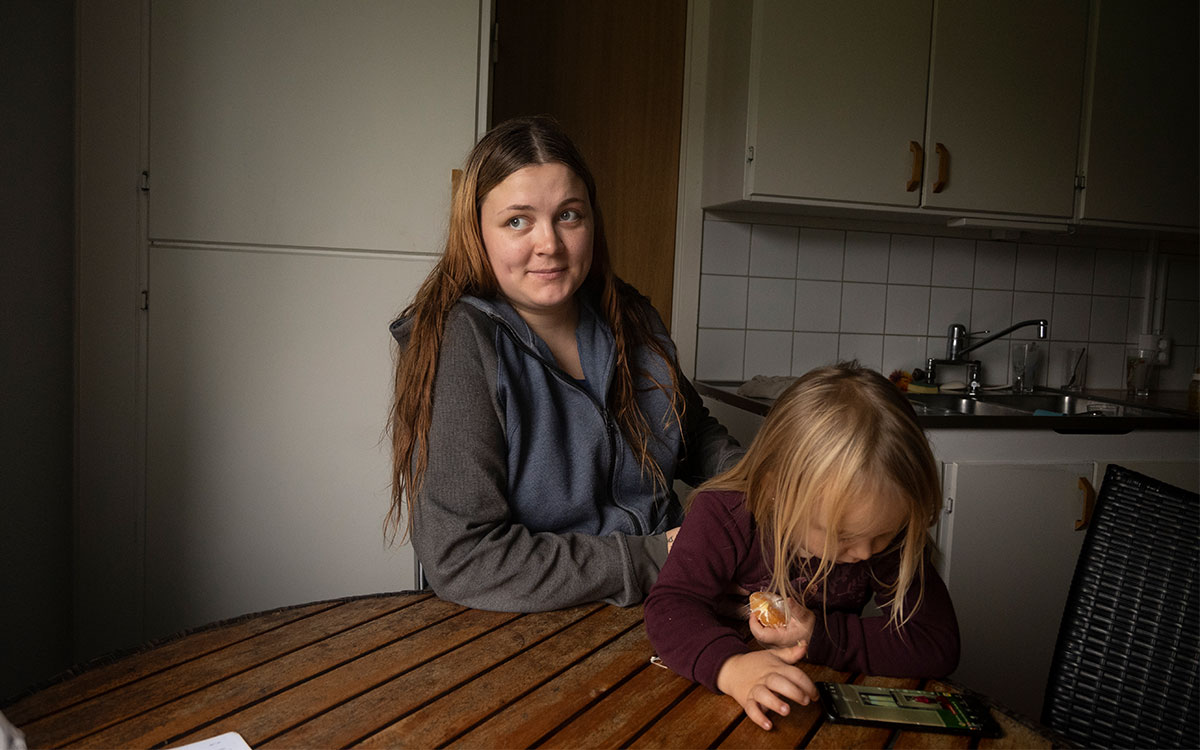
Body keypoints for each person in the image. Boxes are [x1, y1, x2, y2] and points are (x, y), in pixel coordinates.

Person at [387, 115, 743, 612]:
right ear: (476, 231)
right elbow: (464, 557)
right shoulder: (461, 343)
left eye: (569, 215)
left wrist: (760, 492)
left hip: (673, 596)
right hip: (532, 622)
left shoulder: (630, 314)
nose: (549, 244)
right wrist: (657, 555)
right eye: (517, 220)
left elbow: (692, 431)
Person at [644, 362, 960, 732]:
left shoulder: (882, 535)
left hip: (820, 706)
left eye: (884, 534)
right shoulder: (725, 514)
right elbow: (671, 605)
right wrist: (731, 667)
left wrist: (819, 635)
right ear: (778, 491)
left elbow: (936, 642)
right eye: (841, 537)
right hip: (715, 699)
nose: (865, 553)